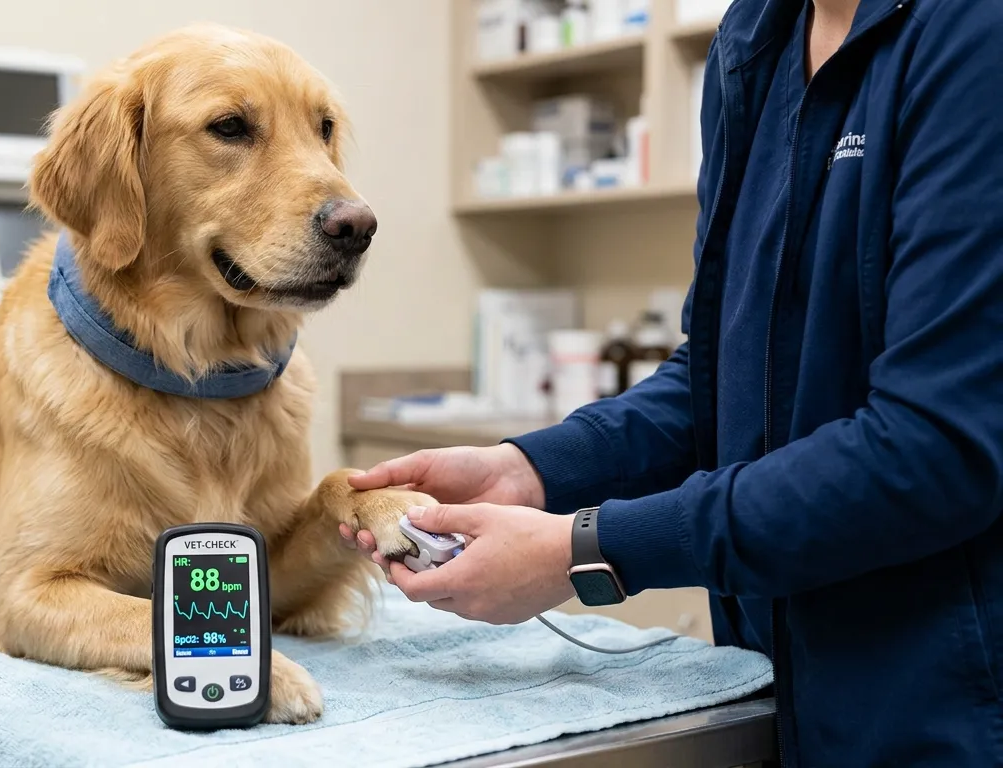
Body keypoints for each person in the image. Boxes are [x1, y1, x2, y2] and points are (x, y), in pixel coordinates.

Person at [341, 0, 1003, 764]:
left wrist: (588, 550)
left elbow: (933, 449)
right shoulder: (755, 39)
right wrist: (529, 470)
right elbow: (717, 377)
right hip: (774, 688)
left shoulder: (970, 35)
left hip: (946, 710)